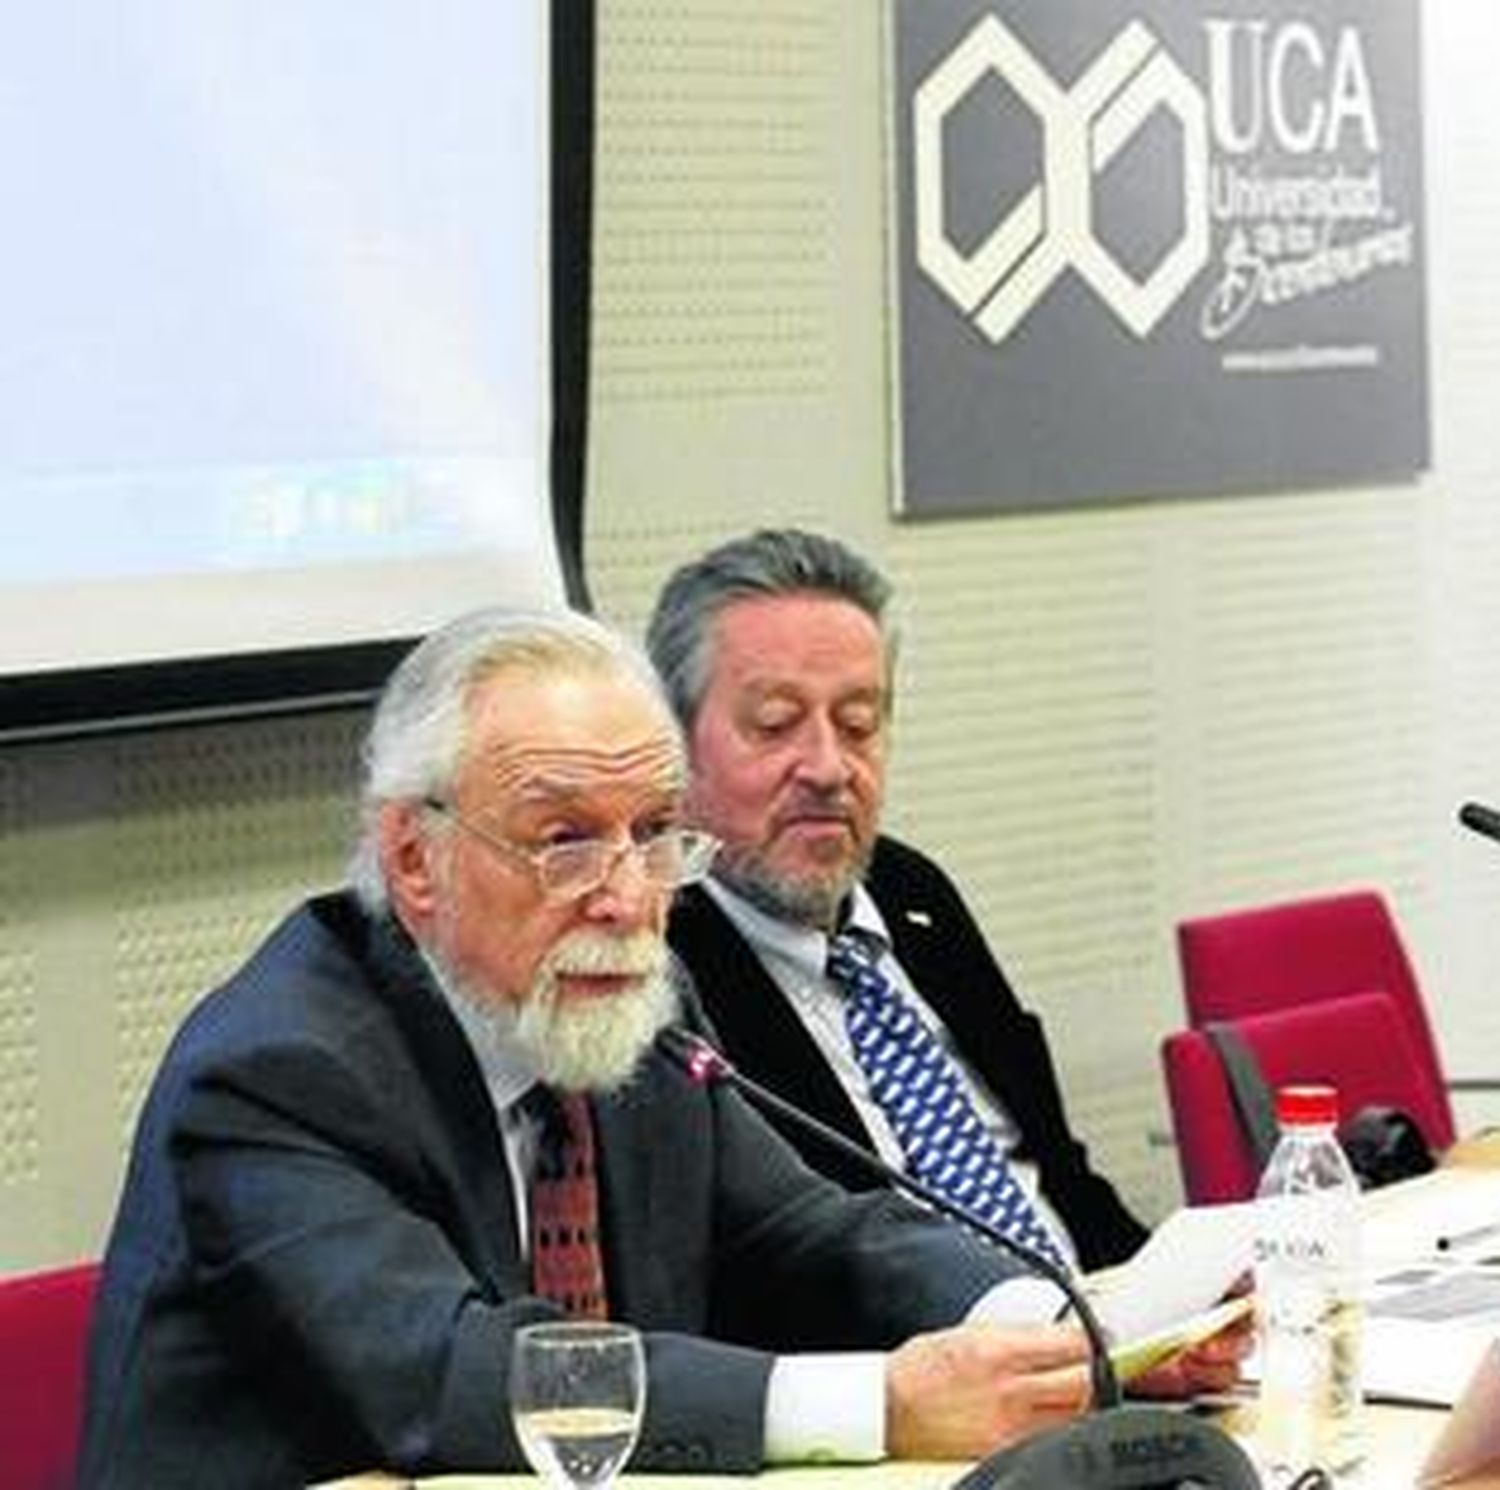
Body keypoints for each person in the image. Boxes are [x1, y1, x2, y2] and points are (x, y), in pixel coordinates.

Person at [79, 606, 1240, 1488]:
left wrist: (1052, 1334)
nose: (629, 896)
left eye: (653, 835)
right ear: (414, 858)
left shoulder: (619, 1008)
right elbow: (465, 1375)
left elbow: (816, 1229)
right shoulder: (277, 1071)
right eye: (566, 841)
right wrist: (882, 1401)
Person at [648, 528, 1148, 1272]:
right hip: (911, 1367)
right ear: (674, 748)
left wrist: (1186, 1301)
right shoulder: (658, 960)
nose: (827, 767)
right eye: (776, 725)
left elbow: (1060, 1176)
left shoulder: (910, 891)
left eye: (858, 724)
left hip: (1104, 1341)